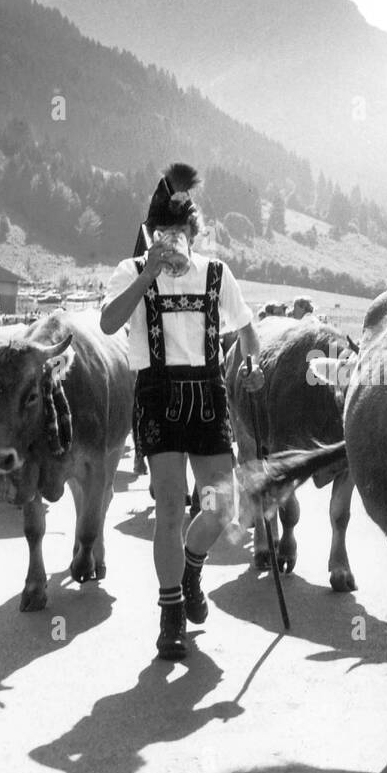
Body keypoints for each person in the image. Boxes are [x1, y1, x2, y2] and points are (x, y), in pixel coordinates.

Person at [101, 162, 264, 661]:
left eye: (179, 234)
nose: (172, 241)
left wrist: (253, 363)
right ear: (151, 236)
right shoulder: (129, 272)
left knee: (223, 505)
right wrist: (147, 272)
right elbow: (108, 323)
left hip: (209, 394)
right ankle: (170, 614)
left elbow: (245, 327)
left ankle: (192, 565)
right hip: (157, 395)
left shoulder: (216, 273)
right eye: (162, 235)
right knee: (170, 507)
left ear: (193, 234)